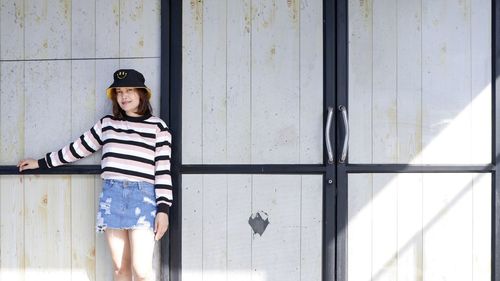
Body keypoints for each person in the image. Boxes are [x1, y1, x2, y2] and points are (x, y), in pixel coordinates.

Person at [17, 69, 173, 281]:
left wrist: (163, 210)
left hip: (143, 197)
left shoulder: (158, 128)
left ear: (142, 94)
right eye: (119, 92)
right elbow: (78, 148)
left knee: (142, 270)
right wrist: (41, 163)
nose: (123, 96)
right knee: (120, 268)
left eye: (129, 90)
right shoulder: (107, 124)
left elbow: (163, 171)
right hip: (112, 195)